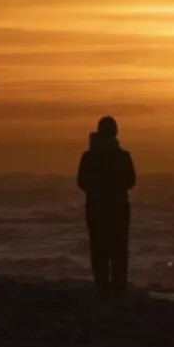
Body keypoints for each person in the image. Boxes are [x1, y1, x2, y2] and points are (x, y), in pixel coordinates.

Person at [76, 115, 136, 294]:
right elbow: (131, 181)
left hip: (96, 207)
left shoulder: (89, 156)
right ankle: (118, 287)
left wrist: (95, 191)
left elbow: (81, 181)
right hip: (117, 207)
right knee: (118, 249)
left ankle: (102, 286)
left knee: (99, 248)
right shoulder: (122, 156)